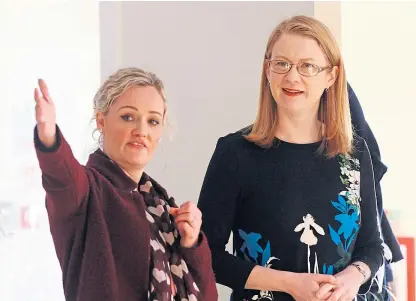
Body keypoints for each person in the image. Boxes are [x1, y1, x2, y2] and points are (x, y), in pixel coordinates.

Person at [198, 16, 385, 301]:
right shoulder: (234, 153)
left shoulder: (354, 154)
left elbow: (372, 246)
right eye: (281, 64)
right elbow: (206, 255)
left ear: (331, 76)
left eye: (307, 66)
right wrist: (288, 283)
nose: (292, 77)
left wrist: (351, 278)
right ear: (268, 70)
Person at [33, 67, 218, 301]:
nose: (141, 131)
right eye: (128, 117)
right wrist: (49, 137)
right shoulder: (86, 190)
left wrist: (192, 244)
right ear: (101, 120)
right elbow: (61, 177)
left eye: (152, 121)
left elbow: (209, 296)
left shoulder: (161, 207)